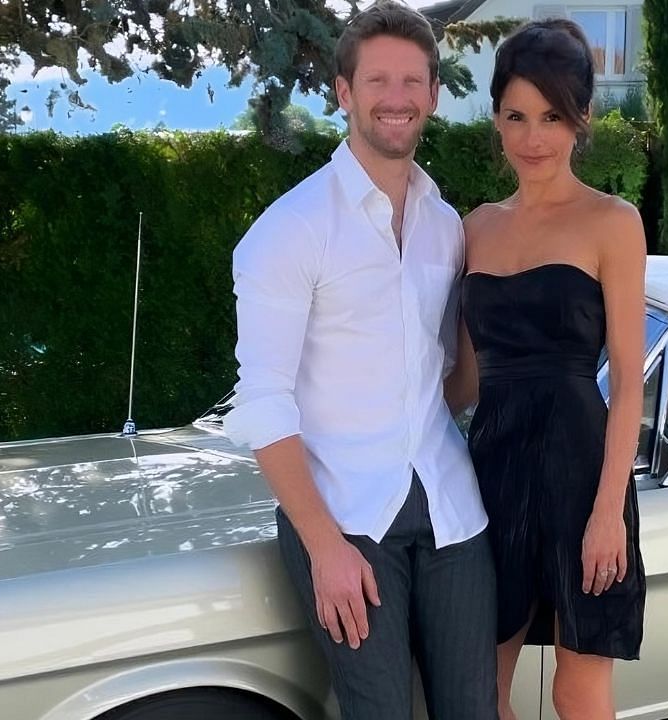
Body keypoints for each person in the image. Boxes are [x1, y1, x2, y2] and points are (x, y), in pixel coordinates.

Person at [224, 2, 498, 718]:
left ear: (434, 95)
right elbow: (263, 401)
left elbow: (448, 385)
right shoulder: (290, 230)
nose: (397, 98)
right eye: (378, 80)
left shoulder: (446, 225)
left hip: (450, 509)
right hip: (344, 519)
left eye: (413, 81)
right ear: (345, 92)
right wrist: (323, 549)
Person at [443, 19, 648, 720]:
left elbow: (627, 380)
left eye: (552, 116)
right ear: (496, 118)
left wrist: (607, 514)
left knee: (577, 687)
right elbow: (463, 381)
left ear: (581, 120)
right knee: (481, 686)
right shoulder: (472, 228)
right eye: (517, 116)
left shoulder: (612, 222)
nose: (533, 138)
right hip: (491, 471)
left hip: (582, 469)